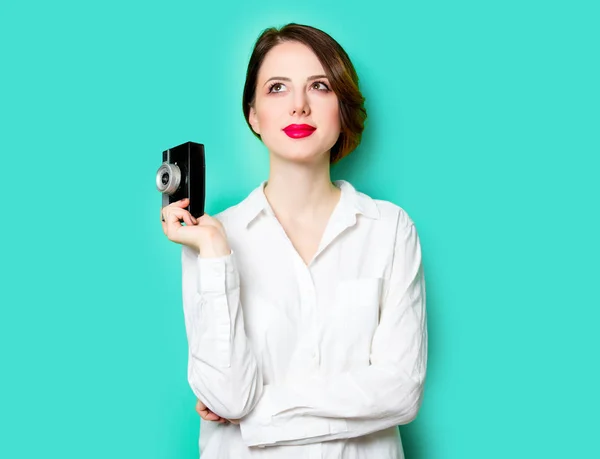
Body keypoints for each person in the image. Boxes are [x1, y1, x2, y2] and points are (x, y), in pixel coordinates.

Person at [160, 23, 428, 459]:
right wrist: (213, 254)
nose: (299, 106)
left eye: (319, 86)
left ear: (342, 107)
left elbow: (401, 391)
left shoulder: (389, 229)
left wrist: (257, 414)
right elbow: (228, 397)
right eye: (278, 87)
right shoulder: (210, 239)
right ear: (253, 114)